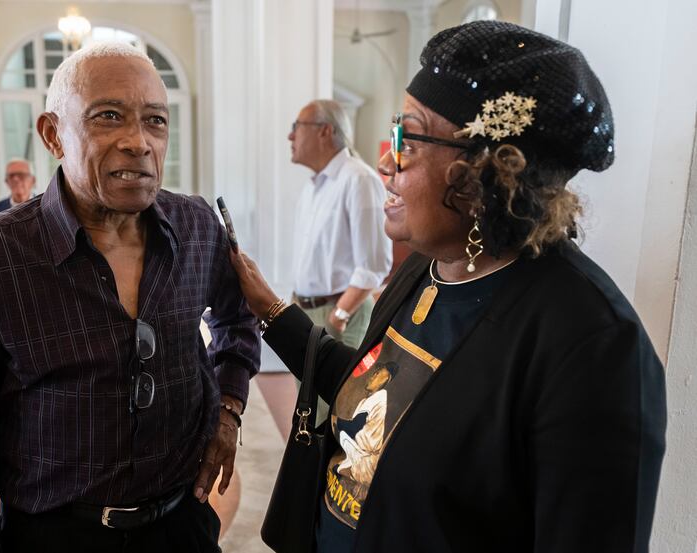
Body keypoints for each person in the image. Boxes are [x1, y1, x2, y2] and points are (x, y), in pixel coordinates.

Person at [231, 21, 666, 553]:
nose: (386, 161)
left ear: (485, 172)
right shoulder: (430, 264)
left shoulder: (593, 346)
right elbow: (376, 393)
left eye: (406, 138)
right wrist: (269, 308)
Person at [0, 42, 260, 553]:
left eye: (155, 121)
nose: (138, 142)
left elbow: (238, 319)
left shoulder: (196, 228)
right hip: (56, 535)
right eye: (109, 117)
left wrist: (228, 409)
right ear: (54, 134)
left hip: (181, 526)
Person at [288, 99, 392, 348]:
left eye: (297, 126)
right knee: (306, 388)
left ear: (325, 130)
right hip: (305, 312)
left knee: (336, 388)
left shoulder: (359, 180)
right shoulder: (313, 186)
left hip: (340, 314)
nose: (290, 136)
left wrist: (339, 316)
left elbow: (374, 265)